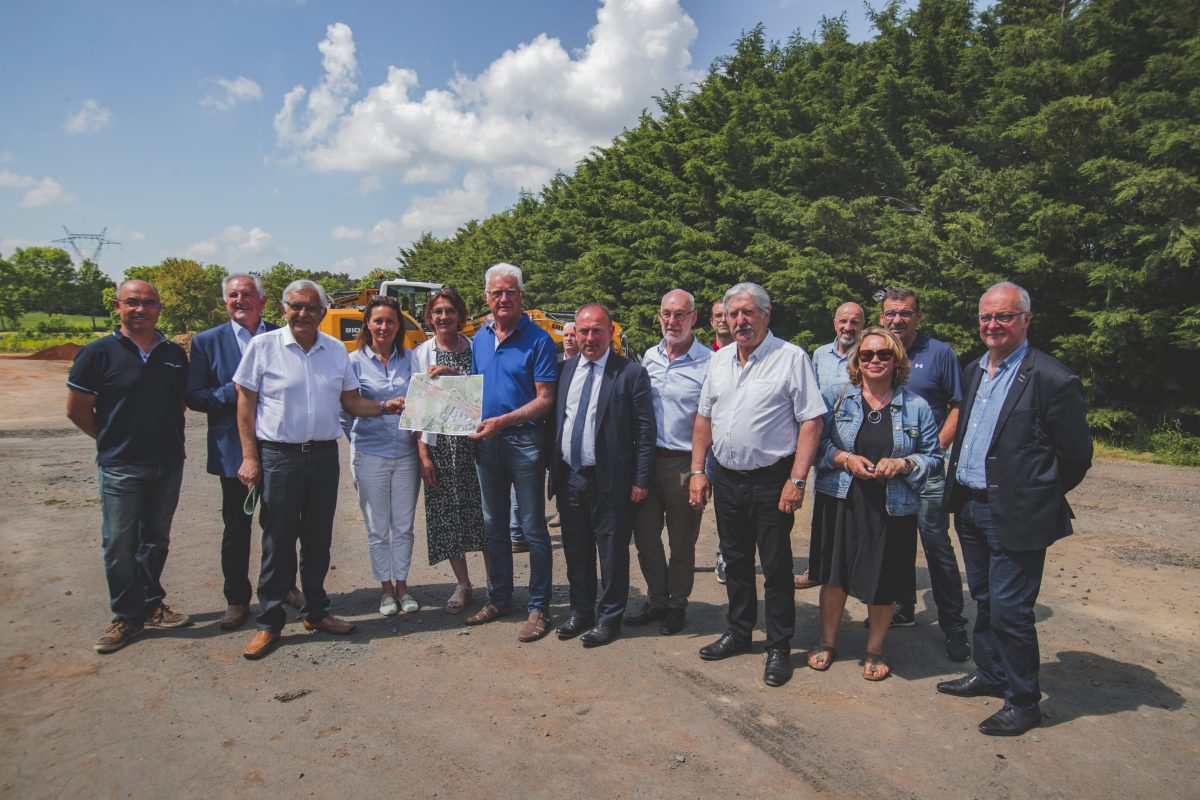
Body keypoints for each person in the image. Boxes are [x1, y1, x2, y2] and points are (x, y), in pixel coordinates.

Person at [938, 282, 1091, 736]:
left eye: (1004, 316)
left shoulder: (1051, 378)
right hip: (968, 504)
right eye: (986, 316)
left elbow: (1076, 456)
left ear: (1026, 320)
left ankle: (1024, 702)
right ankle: (990, 672)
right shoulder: (973, 370)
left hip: (1016, 513)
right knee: (984, 599)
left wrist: (1032, 495)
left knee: (1011, 609)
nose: (992, 325)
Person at [234, 280, 405, 660]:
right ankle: (270, 622)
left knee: (317, 541)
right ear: (283, 309)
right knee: (277, 542)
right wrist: (250, 457)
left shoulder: (335, 353)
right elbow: (244, 405)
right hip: (279, 456)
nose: (303, 313)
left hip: (323, 456)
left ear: (323, 312)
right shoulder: (263, 348)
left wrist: (384, 406)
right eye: (296, 306)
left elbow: (351, 402)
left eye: (312, 307)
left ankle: (316, 612)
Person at [688, 283, 825, 687]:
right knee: (735, 561)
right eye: (733, 314)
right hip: (727, 478)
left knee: (778, 566)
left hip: (771, 479)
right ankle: (740, 631)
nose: (740, 321)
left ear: (766, 315)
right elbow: (704, 419)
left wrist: (797, 479)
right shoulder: (720, 361)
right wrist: (698, 470)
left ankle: (779, 645)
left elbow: (812, 421)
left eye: (748, 313)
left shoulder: (790, 358)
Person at [806, 327, 941, 680]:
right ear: (857, 361)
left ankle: (875, 649)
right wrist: (843, 459)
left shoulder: (916, 406)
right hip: (842, 499)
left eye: (883, 354)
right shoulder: (837, 397)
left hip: (892, 505)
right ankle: (827, 641)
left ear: (897, 360)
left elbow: (934, 457)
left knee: (884, 579)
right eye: (867, 355)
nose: (875, 360)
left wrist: (904, 464)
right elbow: (813, 446)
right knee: (835, 577)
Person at [67, 279, 191, 653]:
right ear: (117, 306)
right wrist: (112, 441)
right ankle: (126, 616)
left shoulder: (172, 353)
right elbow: (77, 410)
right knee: (119, 543)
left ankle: (151, 605)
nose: (141, 309)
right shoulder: (97, 353)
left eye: (149, 303)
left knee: (156, 540)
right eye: (132, 302)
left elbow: (179, 403)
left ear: (159, 308)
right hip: (121, 464)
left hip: (168, 462)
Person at [185, 274, 303, 631]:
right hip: (234, 453)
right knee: (237, 528)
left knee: (281, 526)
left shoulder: (283, 336)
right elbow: (194, 396)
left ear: (263, 302)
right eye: (233, 295)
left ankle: (284, 587)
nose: (240, 300)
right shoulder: (207, 342)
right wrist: (236, 391)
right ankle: (237, 599)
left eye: (247, 295)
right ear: (225, 302)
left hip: (280, 449)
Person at [550, 303, 655, 647]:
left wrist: (641, 479)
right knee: (576, 551)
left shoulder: (631, 373)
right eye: (584, 331)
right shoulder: (564, 370)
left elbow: (645, 429)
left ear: (611, 333)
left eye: (598, 331)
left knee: (612, 555)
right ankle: (582, 612)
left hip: (612, 479)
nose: (590, 337)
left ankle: (610, 618)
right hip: (570, 477)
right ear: (575, 334)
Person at [464, 263, 558, 644]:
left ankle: (539, 606)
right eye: (496, 293)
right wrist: (445, 381)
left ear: (521, 296)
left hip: (525, 443)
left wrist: (503, 421)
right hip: (488, 444)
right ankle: (500, 598)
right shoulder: (481, 339)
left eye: (510, 292)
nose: (503, 299)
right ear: (486, 298)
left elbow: (545, 400)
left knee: (534, 528)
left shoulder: (539, 340)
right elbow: (473, 389)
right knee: (494, 526)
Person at [880, 287, 970, 662]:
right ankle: (901, 607)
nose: (897, 319)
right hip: (887, 469)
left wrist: (938, 447)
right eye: (891, 313)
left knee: (935, 544)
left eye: (905, 313)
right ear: (882, 316)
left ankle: (953, 627)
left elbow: (958, 403)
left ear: (918, 316)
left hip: (927, 468)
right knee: (892, 541)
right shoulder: (875, 347)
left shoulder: (939, 353)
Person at [627, 289, 711, 635]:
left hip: (684, 465)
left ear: (694, 318)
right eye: (667, 314)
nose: (672, 321)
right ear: (659, 316)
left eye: (680, 314)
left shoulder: (709, 362)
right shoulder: (650, 356)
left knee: (681, 542)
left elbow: (711, 420)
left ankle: (677, 604)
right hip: (648, 461)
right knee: (646, 538)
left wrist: (701, 471)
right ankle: (656, 599)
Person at [341, 296, 421, 617]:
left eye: (390, 321)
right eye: (378, 321)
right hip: (369, 454)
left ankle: (403, 584)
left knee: (403, 524)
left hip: (406, 454)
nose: (384, 327)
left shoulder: (411, 359)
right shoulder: (353, 362)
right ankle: (385, 589)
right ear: (367, 325)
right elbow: (345, 411)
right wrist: (358, 443)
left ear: (398, 325)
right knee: (377, 526)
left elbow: (424, 398)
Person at [412, 288, 487, 614]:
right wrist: (424, 455)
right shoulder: (421, 353)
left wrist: (456, 376)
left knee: (483, 515)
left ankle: (496, 581)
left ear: (460, 315)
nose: (444, 317)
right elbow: (417, 408)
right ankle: (464, 583)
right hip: (440, 447)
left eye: (450, 311)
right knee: (446, 516)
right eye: (438, 312)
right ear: (430, 317)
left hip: (475, 444)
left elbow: (484, 390)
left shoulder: (475, 349)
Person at [801, 300, 866, 591]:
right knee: (823, 513)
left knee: (858, 512)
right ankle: (818, 569)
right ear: (834, 324)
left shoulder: (869, 354)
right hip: (826, 443)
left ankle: (852, 574)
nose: (848, 327)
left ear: (863, 325)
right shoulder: (819, 355)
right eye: (843, 321)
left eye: (854, 322)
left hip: (861, 443)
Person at [708, 298, 733, 583]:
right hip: (708, 443)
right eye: (719, 316)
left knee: (729, 503)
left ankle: (726, 553)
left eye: (728, 314)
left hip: (732, 442)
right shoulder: (705, 356)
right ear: (711, 322)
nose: (724, 320)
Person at [546, 321, 579, 530]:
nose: (568, 338)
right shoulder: (555, 364)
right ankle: (561, 509)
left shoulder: (588, 363)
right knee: (557, 469)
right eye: (565, 335)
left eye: (572, 335)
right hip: (556, 426)